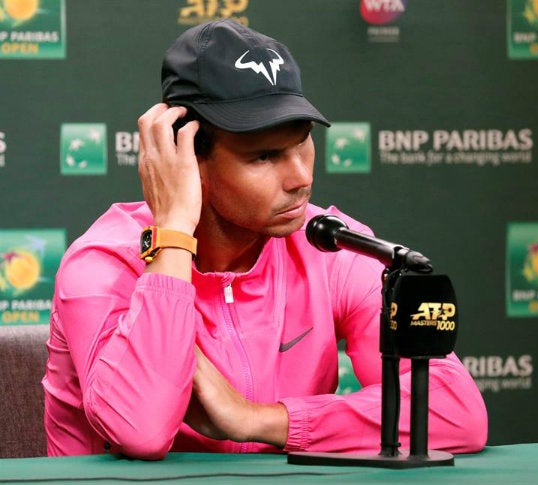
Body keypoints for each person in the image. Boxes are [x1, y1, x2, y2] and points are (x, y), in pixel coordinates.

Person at [42, 19, 487, 459]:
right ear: (187, 157)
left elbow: (455, 414)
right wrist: (173, 234)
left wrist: (257, 419)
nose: (301, 177)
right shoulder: (104, 263)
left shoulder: (326, 246)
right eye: (264, 156)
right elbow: (141, 431)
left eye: (302, 143)